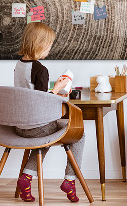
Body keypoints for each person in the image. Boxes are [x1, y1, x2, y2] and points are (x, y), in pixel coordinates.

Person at [14, 22, 84, 203]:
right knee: (79, 134)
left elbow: (31, 94)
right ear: (40, 45)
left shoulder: (19, 65)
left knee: (44, 137)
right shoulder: (40, 69)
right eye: (49, 45)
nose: (49, 50)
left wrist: (53, 90)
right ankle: (70, 180)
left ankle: (26, 178)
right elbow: (42, 101)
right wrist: (59, 88)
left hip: (20, 126)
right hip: (37, 126)